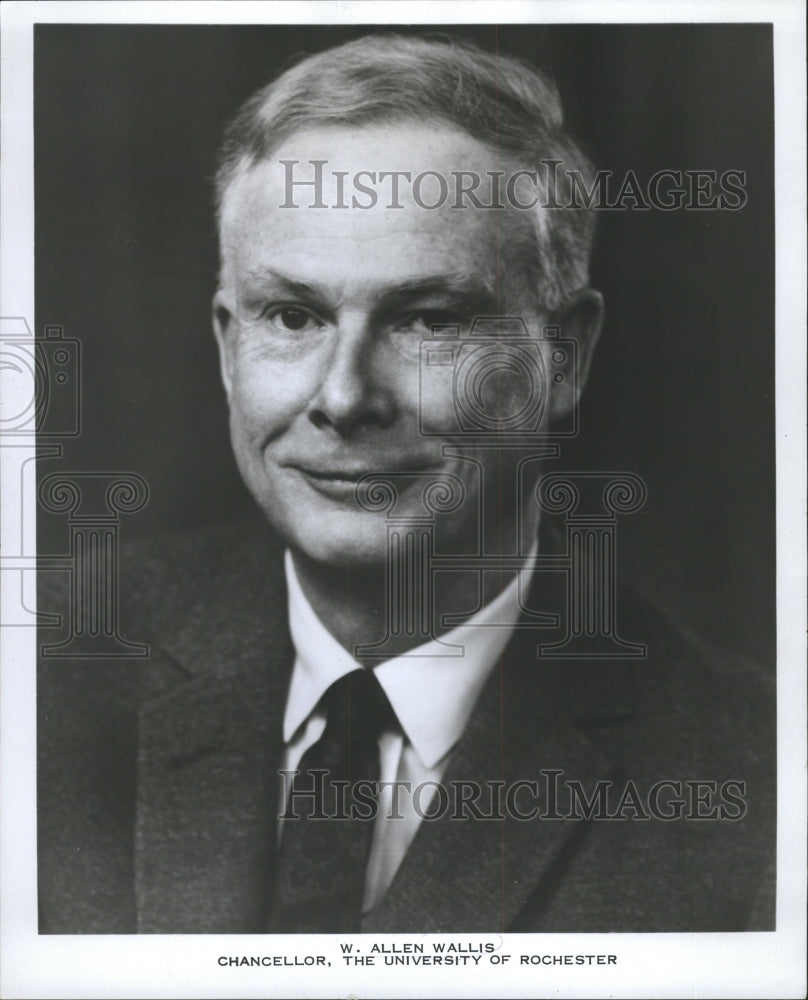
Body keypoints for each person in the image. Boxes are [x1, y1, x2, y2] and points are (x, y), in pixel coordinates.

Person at [37, 33, 775, 934]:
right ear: (229, 346)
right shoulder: (39, 684)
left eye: (428, 320)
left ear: (565, 357)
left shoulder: (758, 785)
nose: (345, 397)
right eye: (294, 315)